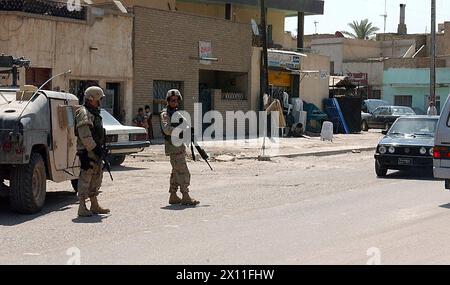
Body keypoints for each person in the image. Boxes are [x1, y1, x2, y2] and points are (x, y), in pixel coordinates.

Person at [75, 86, 110, 217]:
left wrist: (100, 150)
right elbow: (85, 135)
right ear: (91, 99)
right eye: (98, 99)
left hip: (95, 150)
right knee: (86, 177)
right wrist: (95, 149)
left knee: (97, 176)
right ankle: (82, 206)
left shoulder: (94, 112)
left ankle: (94, 204)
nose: (100, 102)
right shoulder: (83, 112)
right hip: (87, 151)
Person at [160, 89, 200, 206]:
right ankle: (185, 196)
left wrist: (189, 131)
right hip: (173, 146)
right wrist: (180, 131)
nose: (175, 102)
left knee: (176, 171)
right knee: (183, 172)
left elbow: (186, 125)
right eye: (172, 100)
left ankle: (173, 195)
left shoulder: (177, 113)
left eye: (177, 100)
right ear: (168, 101)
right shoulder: (165, 114)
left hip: (179, 146)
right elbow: (166, 130)